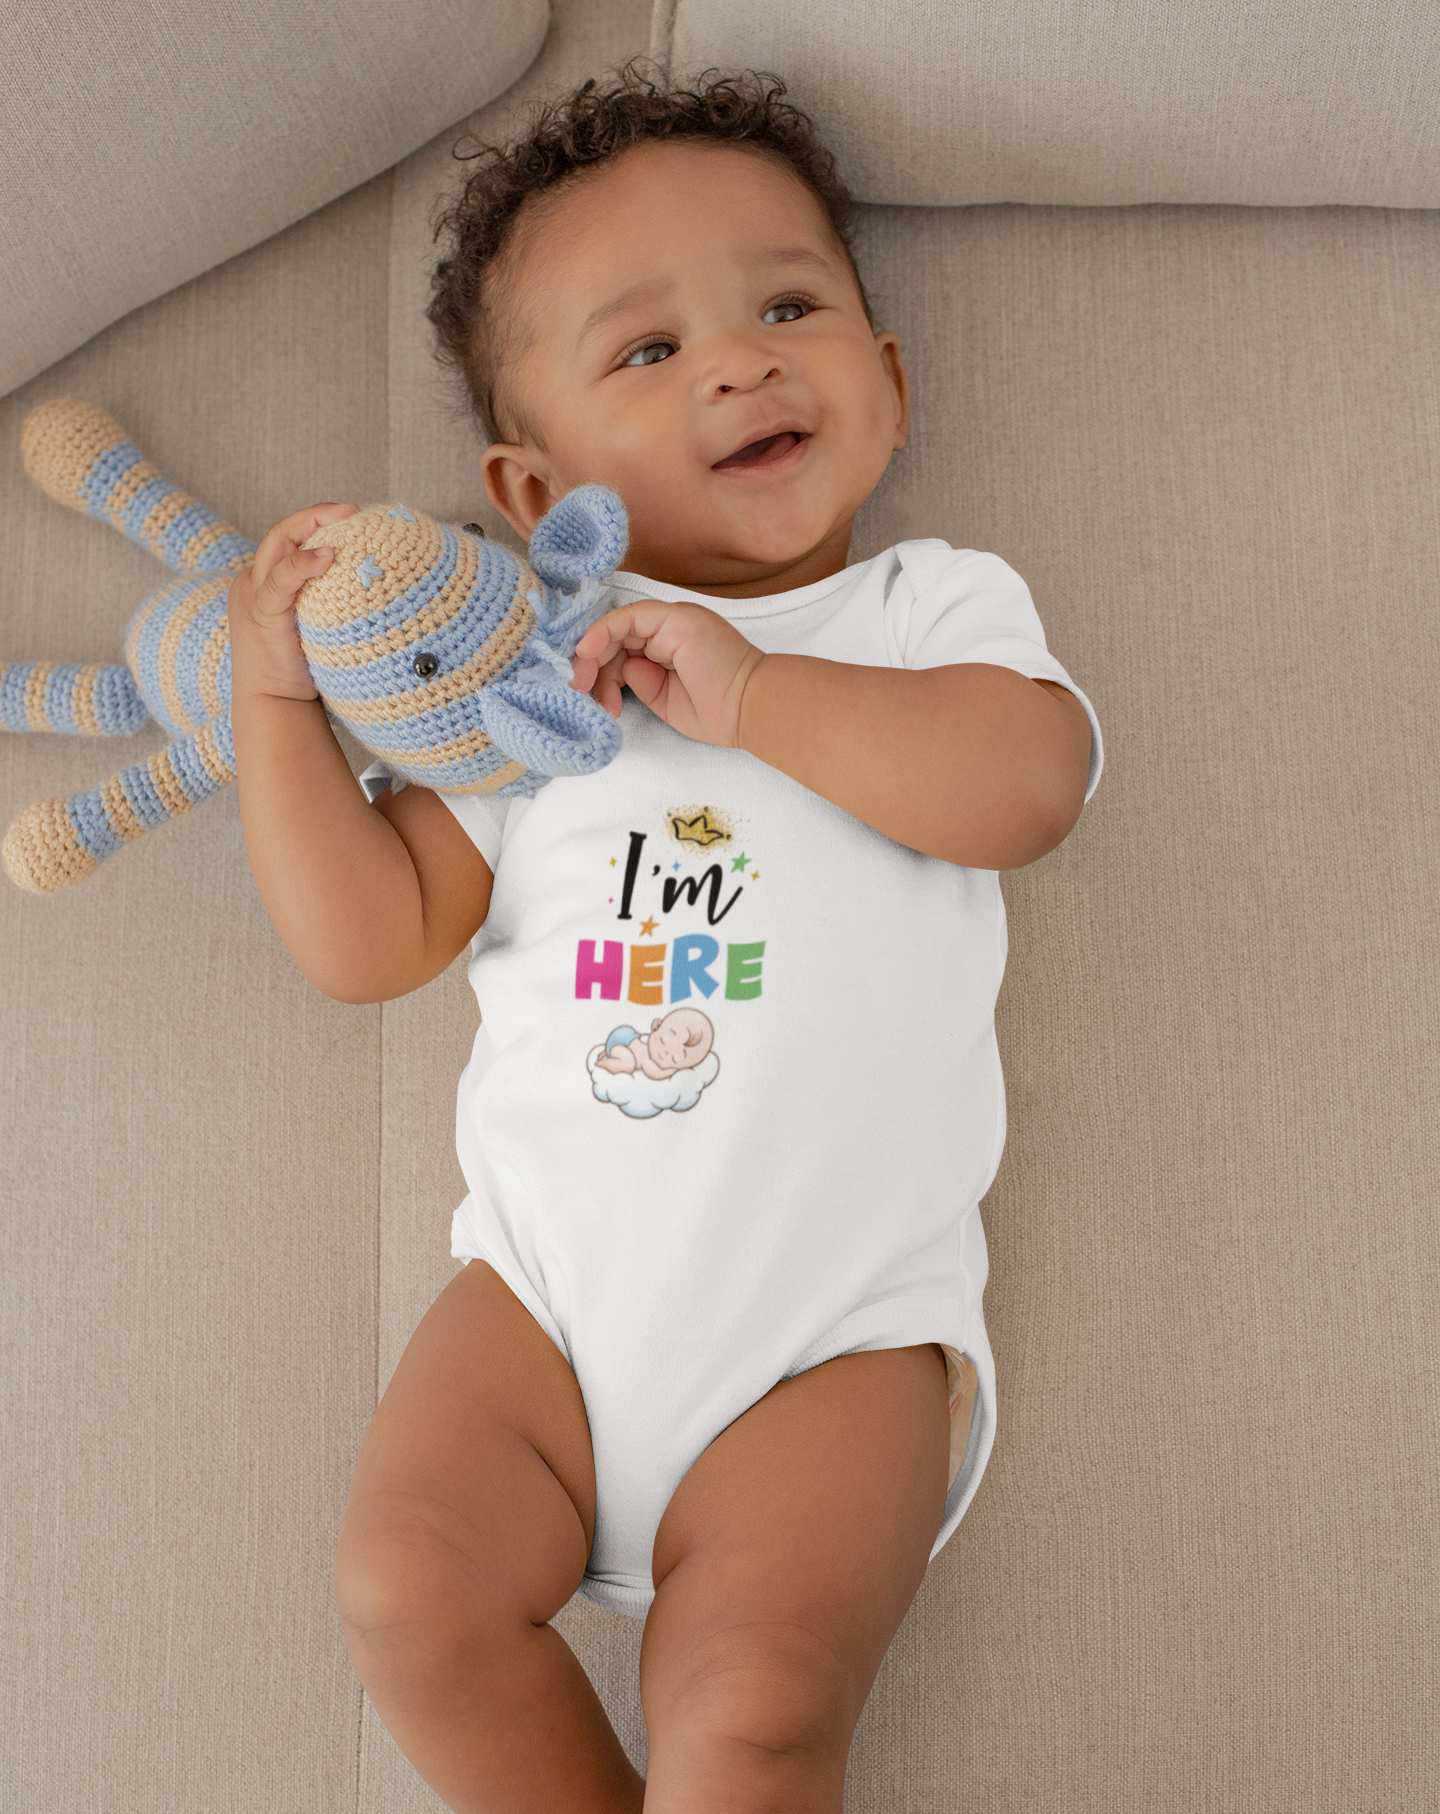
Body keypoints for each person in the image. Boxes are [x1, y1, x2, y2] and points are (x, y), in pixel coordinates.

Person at [226, 66, 1102, 1814]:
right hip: (542, 1310)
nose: (737, 364)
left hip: (830, 1339)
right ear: (532, 486)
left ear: (889, 381)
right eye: (648, 347)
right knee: (401, 1589)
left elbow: (1028, 787)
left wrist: (760, 691)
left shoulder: (924, 609)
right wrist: (277, 706)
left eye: (788, 309)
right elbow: (369, 939)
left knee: (755, 1711)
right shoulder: (524, 686)